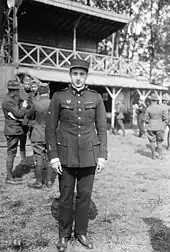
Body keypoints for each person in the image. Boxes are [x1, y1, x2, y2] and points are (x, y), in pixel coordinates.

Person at [45, 59, 107, 251]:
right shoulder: (58, 96)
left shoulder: (95, 97)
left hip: (89, 154)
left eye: (82, 74)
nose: (78, 78)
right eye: (75, 74)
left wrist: (102, 155)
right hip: (65, 155)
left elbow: (102, 128)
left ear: (86, 76)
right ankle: (64, 234)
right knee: (65, 196)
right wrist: (53, 156)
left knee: (84, 196)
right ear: (70, 75)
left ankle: (81, 232)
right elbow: (50, 128)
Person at [2, 80, 28, 184]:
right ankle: (9, 178)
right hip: (12, 130)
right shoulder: (8, 101)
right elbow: (18, 114)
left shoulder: (11, 99)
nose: (19, 92)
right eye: (18, 90)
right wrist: (24, 107)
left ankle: (10, 176)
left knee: (12, 153)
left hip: (13, 129)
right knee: (11, 153)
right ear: (15, 91)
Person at [27, 83, 52, 189]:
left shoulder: (35, 103)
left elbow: (29, 116)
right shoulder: (53, 104)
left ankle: (38, 181)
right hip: (50, 135)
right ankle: (49, 181)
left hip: (37, 134)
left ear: (39, 93)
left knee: (39, 157)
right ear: (48, 92)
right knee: (51, 158)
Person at [143, 92, 168, 159]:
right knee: (159, 142)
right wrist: (163, 124)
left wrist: (149, 121)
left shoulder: (149, 108)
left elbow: (144, 119)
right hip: (160, 127)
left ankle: (153, 155)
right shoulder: (162, 108)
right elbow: (166, 118)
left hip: (151, 127)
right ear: (157, 100)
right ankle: (160, 156)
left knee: (152, 141)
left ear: (151, 100)